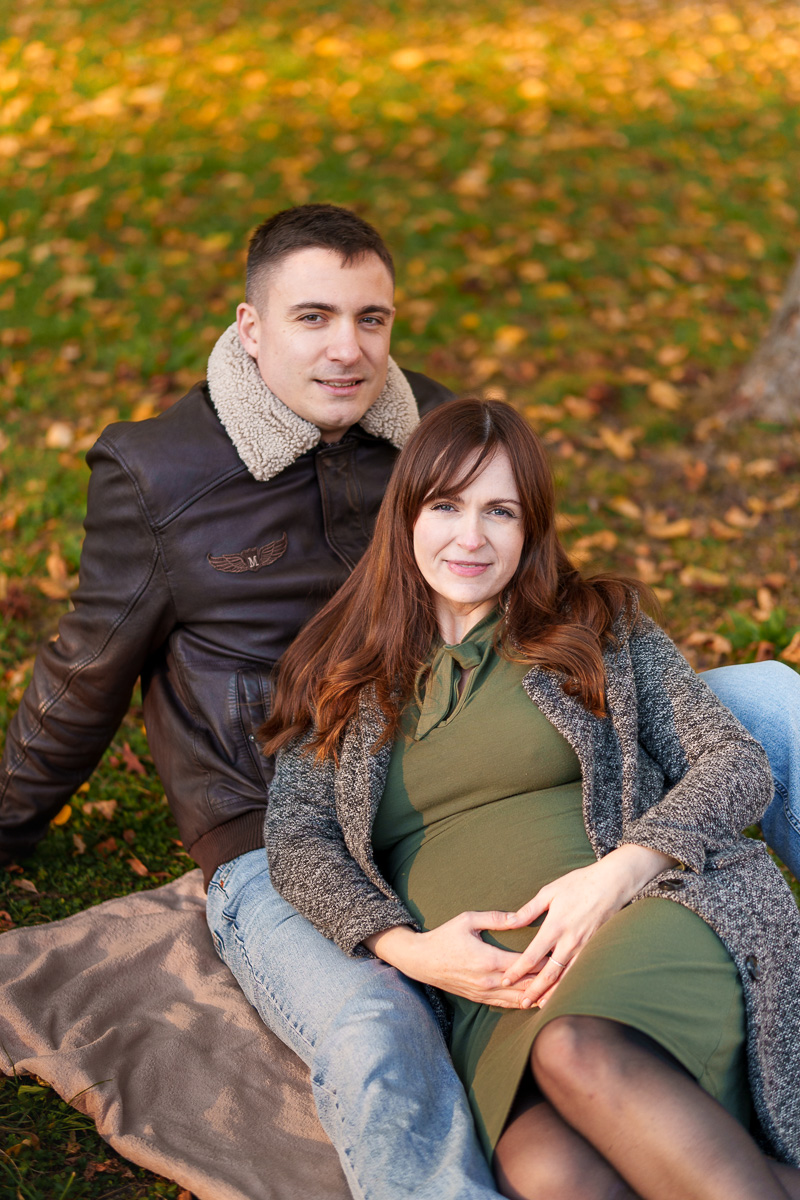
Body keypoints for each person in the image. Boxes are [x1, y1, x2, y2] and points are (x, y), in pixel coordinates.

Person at [0, 202, 799, 1198]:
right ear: (251, 329)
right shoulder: (175, 489)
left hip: (572, 827)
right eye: (313, 317)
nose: (348, 349)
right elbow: (87, 673)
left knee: (770, 698)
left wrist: (624, 867)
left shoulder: (442, 443)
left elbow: (560, 607)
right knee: (462, 1098)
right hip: (306, 833)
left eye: (370, 319)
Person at [264, 397, 800, 1200]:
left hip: (648, 916)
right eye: (447, 506)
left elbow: (735, 763)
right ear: (405, 515)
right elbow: (296, 838)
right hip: (493, 995)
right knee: (546, 1173)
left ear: (531, 528)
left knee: (579, 1050)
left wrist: (616, 875)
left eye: (500, 512)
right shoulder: (342, 671)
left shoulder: (594, 624)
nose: (471, 538)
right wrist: (406, 950)